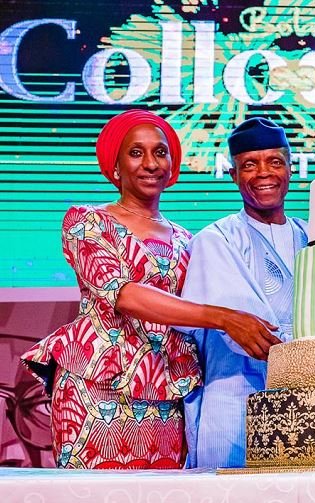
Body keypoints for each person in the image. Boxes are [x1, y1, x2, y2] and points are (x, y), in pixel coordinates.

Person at [20, 110, 276, 469]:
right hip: (96, 386)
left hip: (167, 392)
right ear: (115, 166)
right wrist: (223, 318)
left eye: (160, 152)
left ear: (172, 166)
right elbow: (125, 294)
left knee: (162, 499)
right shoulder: (88, 222)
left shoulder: (191, 241)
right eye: (136, 153)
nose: (151, 163)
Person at [178, 117, 308, 468]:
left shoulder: (314, 239)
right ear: (234, 175)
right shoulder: (216, 239)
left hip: (309, 402)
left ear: (291, 169)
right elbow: (249, 334)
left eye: (275, 162)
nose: (264, 173)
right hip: (234, 397)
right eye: (250, 165)